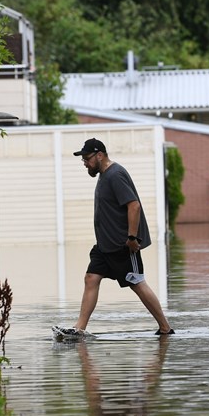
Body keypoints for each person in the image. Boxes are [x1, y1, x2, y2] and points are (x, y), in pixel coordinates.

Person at [53, 138, 174, 340]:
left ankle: (165, 328)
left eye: (87, 158)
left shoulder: (115, 175)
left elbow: (133, 205)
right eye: (83, 159)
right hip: (104, 246)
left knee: (137, 284)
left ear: (99, 155)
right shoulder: (104, 175)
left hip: (122, 245)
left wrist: (132, 238)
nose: (84, 163)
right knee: (91, 278)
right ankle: (79, 329)